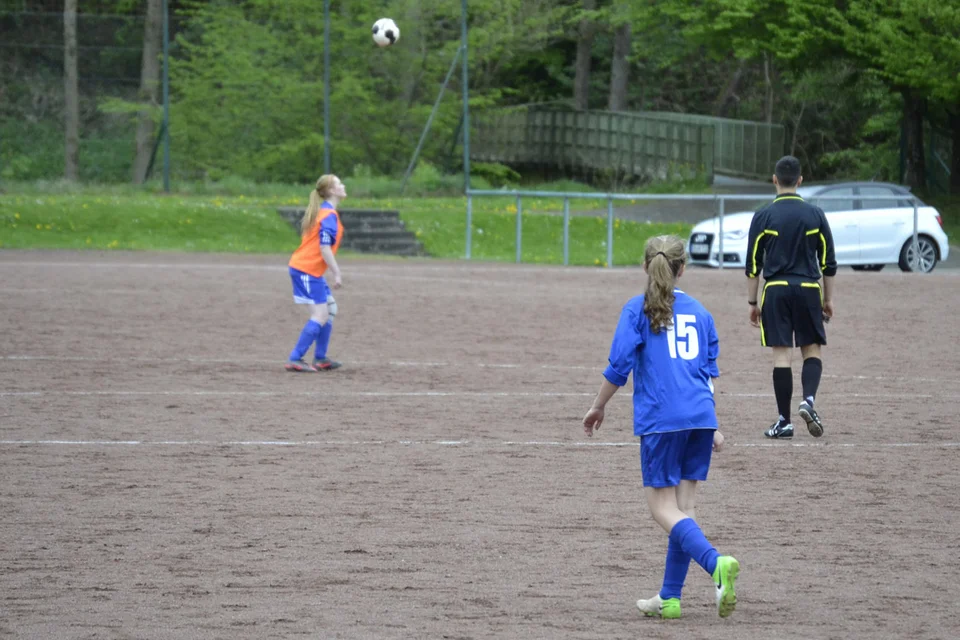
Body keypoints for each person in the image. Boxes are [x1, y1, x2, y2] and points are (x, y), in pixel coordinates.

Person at [582, 235, 739, 620]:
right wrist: (711, 423)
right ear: (683, 268)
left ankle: (716, 563)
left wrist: (598, 405)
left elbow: (619, 367)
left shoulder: (637, 309)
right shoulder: (701, 313)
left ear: (645, 266)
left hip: (662, 420)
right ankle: (670, 597)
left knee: (662, 508)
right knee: (684, 510)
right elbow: (706, 373)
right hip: (701, 417)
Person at [744, 155, 837, 439]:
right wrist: (828, 300)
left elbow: (752, 265)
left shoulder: (763, 215)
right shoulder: (815, 214)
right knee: (811, 350)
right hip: (809, 288)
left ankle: (784, 421)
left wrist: (752, 302)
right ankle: (808, 400)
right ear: (800, 180)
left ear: (774, 179)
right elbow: (828, 263)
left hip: (776, 290)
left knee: (782, 354)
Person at [285, 174, 346, 372]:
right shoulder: (328, 215)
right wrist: (336, 273)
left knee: (330, 309)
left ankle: (320, 358)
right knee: (320, 315)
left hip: (308, 270)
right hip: (306, 270)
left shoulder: (326, 212)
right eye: (339, 184)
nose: (343, 186)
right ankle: (295, 358)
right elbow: (324, 247)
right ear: (331, 191)